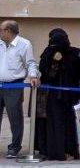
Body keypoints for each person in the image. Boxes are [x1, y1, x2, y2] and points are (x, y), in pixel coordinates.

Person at [38, 28, 80, 161]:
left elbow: (79, 73)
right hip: (53, 96)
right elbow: (45, 74)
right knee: (55, 123)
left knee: (69, 123)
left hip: (70, 95)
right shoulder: (47, 53)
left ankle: (70, 150)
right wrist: (55, 62)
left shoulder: (75, 53)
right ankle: (57, 152)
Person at [0, 20, 38, 160]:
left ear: (8, 31)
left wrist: (33, 75)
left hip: (14, 85)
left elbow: (30, 63)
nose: (0, 32)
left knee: (15, 118)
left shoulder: (24, 44)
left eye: (1, 30)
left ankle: (14, 147)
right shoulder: (0, 43)